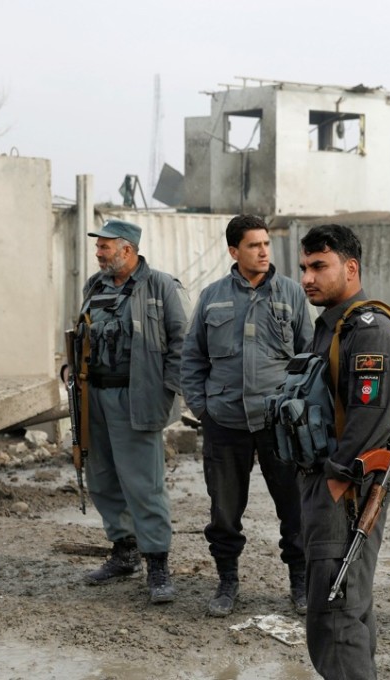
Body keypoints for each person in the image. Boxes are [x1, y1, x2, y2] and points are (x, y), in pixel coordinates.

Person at [296, 224, 390, 680]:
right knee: (343, 603)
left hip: (345, 491)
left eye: (319, 266)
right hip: (326, 481)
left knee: (336, 610)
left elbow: (375, 414)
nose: (308, 277)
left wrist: (337, 478)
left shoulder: (370, 331)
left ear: (350, 268)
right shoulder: (332, 325)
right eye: (304, 267)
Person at [180, 214, 312, 617]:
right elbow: (192, 358)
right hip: (225, 422)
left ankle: (301, 584)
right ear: (234, 251)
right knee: (224, 511)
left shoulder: (290, 293)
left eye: (266, 244)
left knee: (295, 508)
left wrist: (301, 412)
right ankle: (227, 583)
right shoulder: (212, 296)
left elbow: (309, 357)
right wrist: (203, 409)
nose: (263, 251)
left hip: (279, 425)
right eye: (254, 245)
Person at [71, 219, 189, 604]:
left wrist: (167, 392)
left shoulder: (161, 287)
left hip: (136, 396)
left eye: (104, 247)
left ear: (127, 249)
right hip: (95, 398)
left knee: (143, 485)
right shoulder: (95, 286)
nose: (98, 253)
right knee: (102, 476)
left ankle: (157, 564)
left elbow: (181, 343)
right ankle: (124, 552)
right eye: (98, 247)